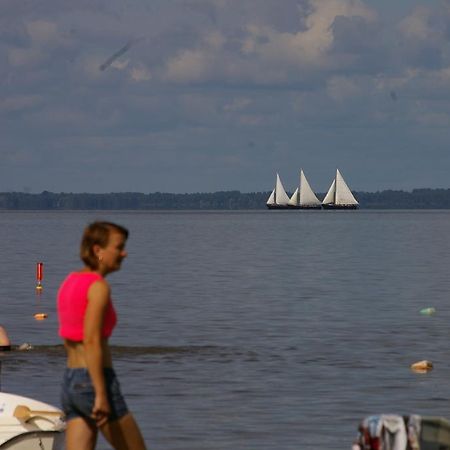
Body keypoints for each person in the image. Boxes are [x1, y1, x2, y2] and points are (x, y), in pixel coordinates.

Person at [57, 221, 146, 450]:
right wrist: (100, 393)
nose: (124, 253)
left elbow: (70, 338)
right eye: (119, 247)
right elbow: (92, 340)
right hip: (93, 382)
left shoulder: (69, 282)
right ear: (98, 250)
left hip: (71, 382)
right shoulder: (98, 287)